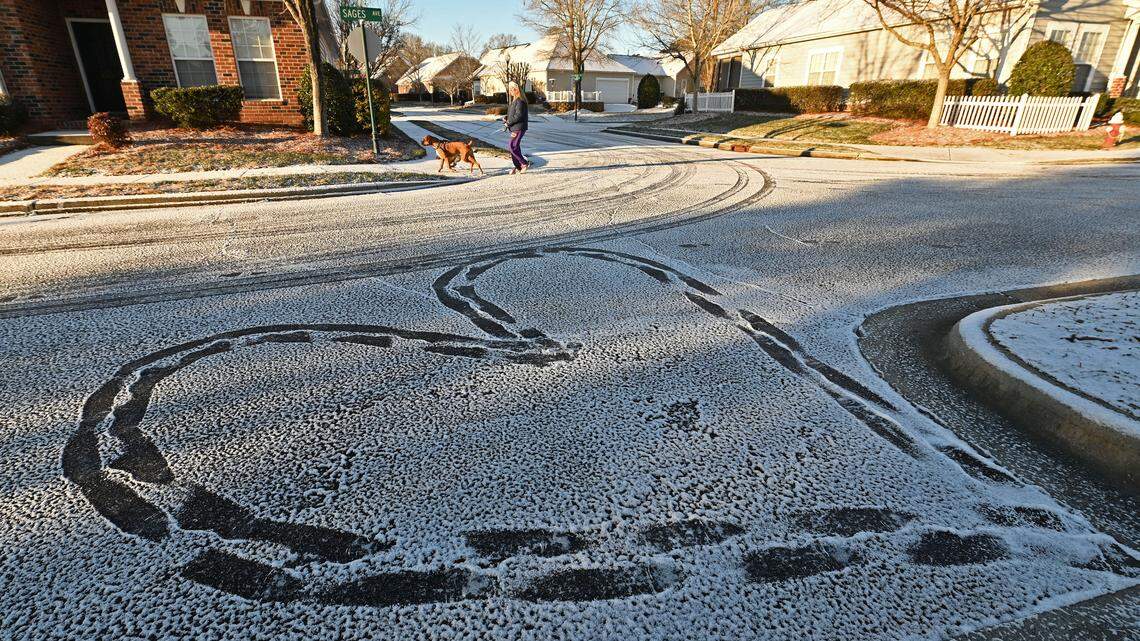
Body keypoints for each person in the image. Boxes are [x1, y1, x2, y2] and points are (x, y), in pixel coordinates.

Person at [503, 81, 530, 174]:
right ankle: (518, 166)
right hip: (514, 127)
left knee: (512, 146)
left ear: (516, 90)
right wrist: (506, 118)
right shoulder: (515, 101)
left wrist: (509, 122)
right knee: (515, 147)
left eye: (511, 90)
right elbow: (513, 114)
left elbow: (519, 116)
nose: (510, 92)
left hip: (519, 127)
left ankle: (524, 163)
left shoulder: (520, 101)